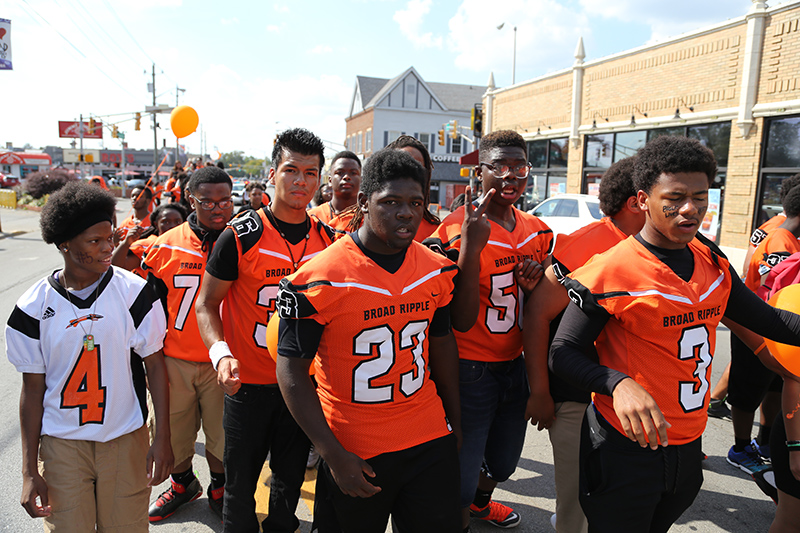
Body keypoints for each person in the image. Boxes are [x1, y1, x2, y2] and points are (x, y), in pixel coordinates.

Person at [549, 135, 800, 532]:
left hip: (687, 444)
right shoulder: (611, 269)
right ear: (643, 199)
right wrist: (616, 383)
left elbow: (770, 321)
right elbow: (563, 352)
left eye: (700, 197)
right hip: (624, 446)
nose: (690, 209)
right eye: (676, 196)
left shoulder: (711, 260)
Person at [276, 148, 462, 532]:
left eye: (415, 202)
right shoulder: (322, 275)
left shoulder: (436, 269)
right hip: (356, 447)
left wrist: (455, 423)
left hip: (428, 437)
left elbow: (442, 345)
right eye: (390, 201)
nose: (405, 212)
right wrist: (331, 453)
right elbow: (290, 370)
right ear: (364, 201)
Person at [5, 180, 172, 531]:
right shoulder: (32, 308)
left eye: (109, 238)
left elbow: (155, 366)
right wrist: (29, 470)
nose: (107, 248)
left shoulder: (134, 293)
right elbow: (32, 392)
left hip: (124, 437)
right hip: (63, 443)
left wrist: (162, 437)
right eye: (94, 241)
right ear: (63, 243)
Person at [195, 128, 333, 533]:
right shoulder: (240, 236)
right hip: (248, 386)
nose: (300, 180)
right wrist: (220, 353)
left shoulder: (330, 242)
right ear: (272, 173)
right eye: (291, 169)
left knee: (287, 489)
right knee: (239, 492)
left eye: (310, 172)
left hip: (302, 388)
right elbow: (206, 304)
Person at [425, 130, 551, 531]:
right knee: (462, 467)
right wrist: (470, 254)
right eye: (499, 166)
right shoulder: (455, 229)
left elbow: (540, 310)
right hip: (469, 366)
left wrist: (536, 287)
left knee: (503, 461)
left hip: (514, 364)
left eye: (519, 166)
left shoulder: (539, 230)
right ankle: (459, 517)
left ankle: (480, 504)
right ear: (479, 173)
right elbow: (448, 313)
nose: (510, 175)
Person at [523, 156, 644, 533]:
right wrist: (540, 392)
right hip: (577, 396)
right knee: (575, 500)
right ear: (638, 201)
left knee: (622, 497)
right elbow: (537, 315)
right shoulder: (587, 244)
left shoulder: (663, 245)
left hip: (633, 396)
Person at [142, 167, 234, 522]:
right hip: (175, 359)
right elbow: (149, 308)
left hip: (224, 357)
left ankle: (220, 487)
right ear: (190, 200)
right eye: (207, 201)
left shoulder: (244, 239)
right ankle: (183, 485)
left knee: (222, 436)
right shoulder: (166, 244)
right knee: (174, 433)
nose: (217, 208)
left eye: (224, 200)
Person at [725, 186, 800, 475]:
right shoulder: (782, 241)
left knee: (775, 386)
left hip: (774, 328)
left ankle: (765, 441)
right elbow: (779, 291)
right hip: (758, 326)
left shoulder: (779, 230)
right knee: (748, 391)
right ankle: (740, 448)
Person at [111, 202, 188, 278]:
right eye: (166, 222)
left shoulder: (189, 246)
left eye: (177, 222)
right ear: (156, 224)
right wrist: (125, 244)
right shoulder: (146, 245)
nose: (172, 226)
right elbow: (117, 268)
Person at [308, 150, 361, 232]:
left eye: (353, 173)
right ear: (330, 180)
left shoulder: (370, 220)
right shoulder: (312, 217)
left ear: (361, 180)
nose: (346, 177)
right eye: (339, 172)